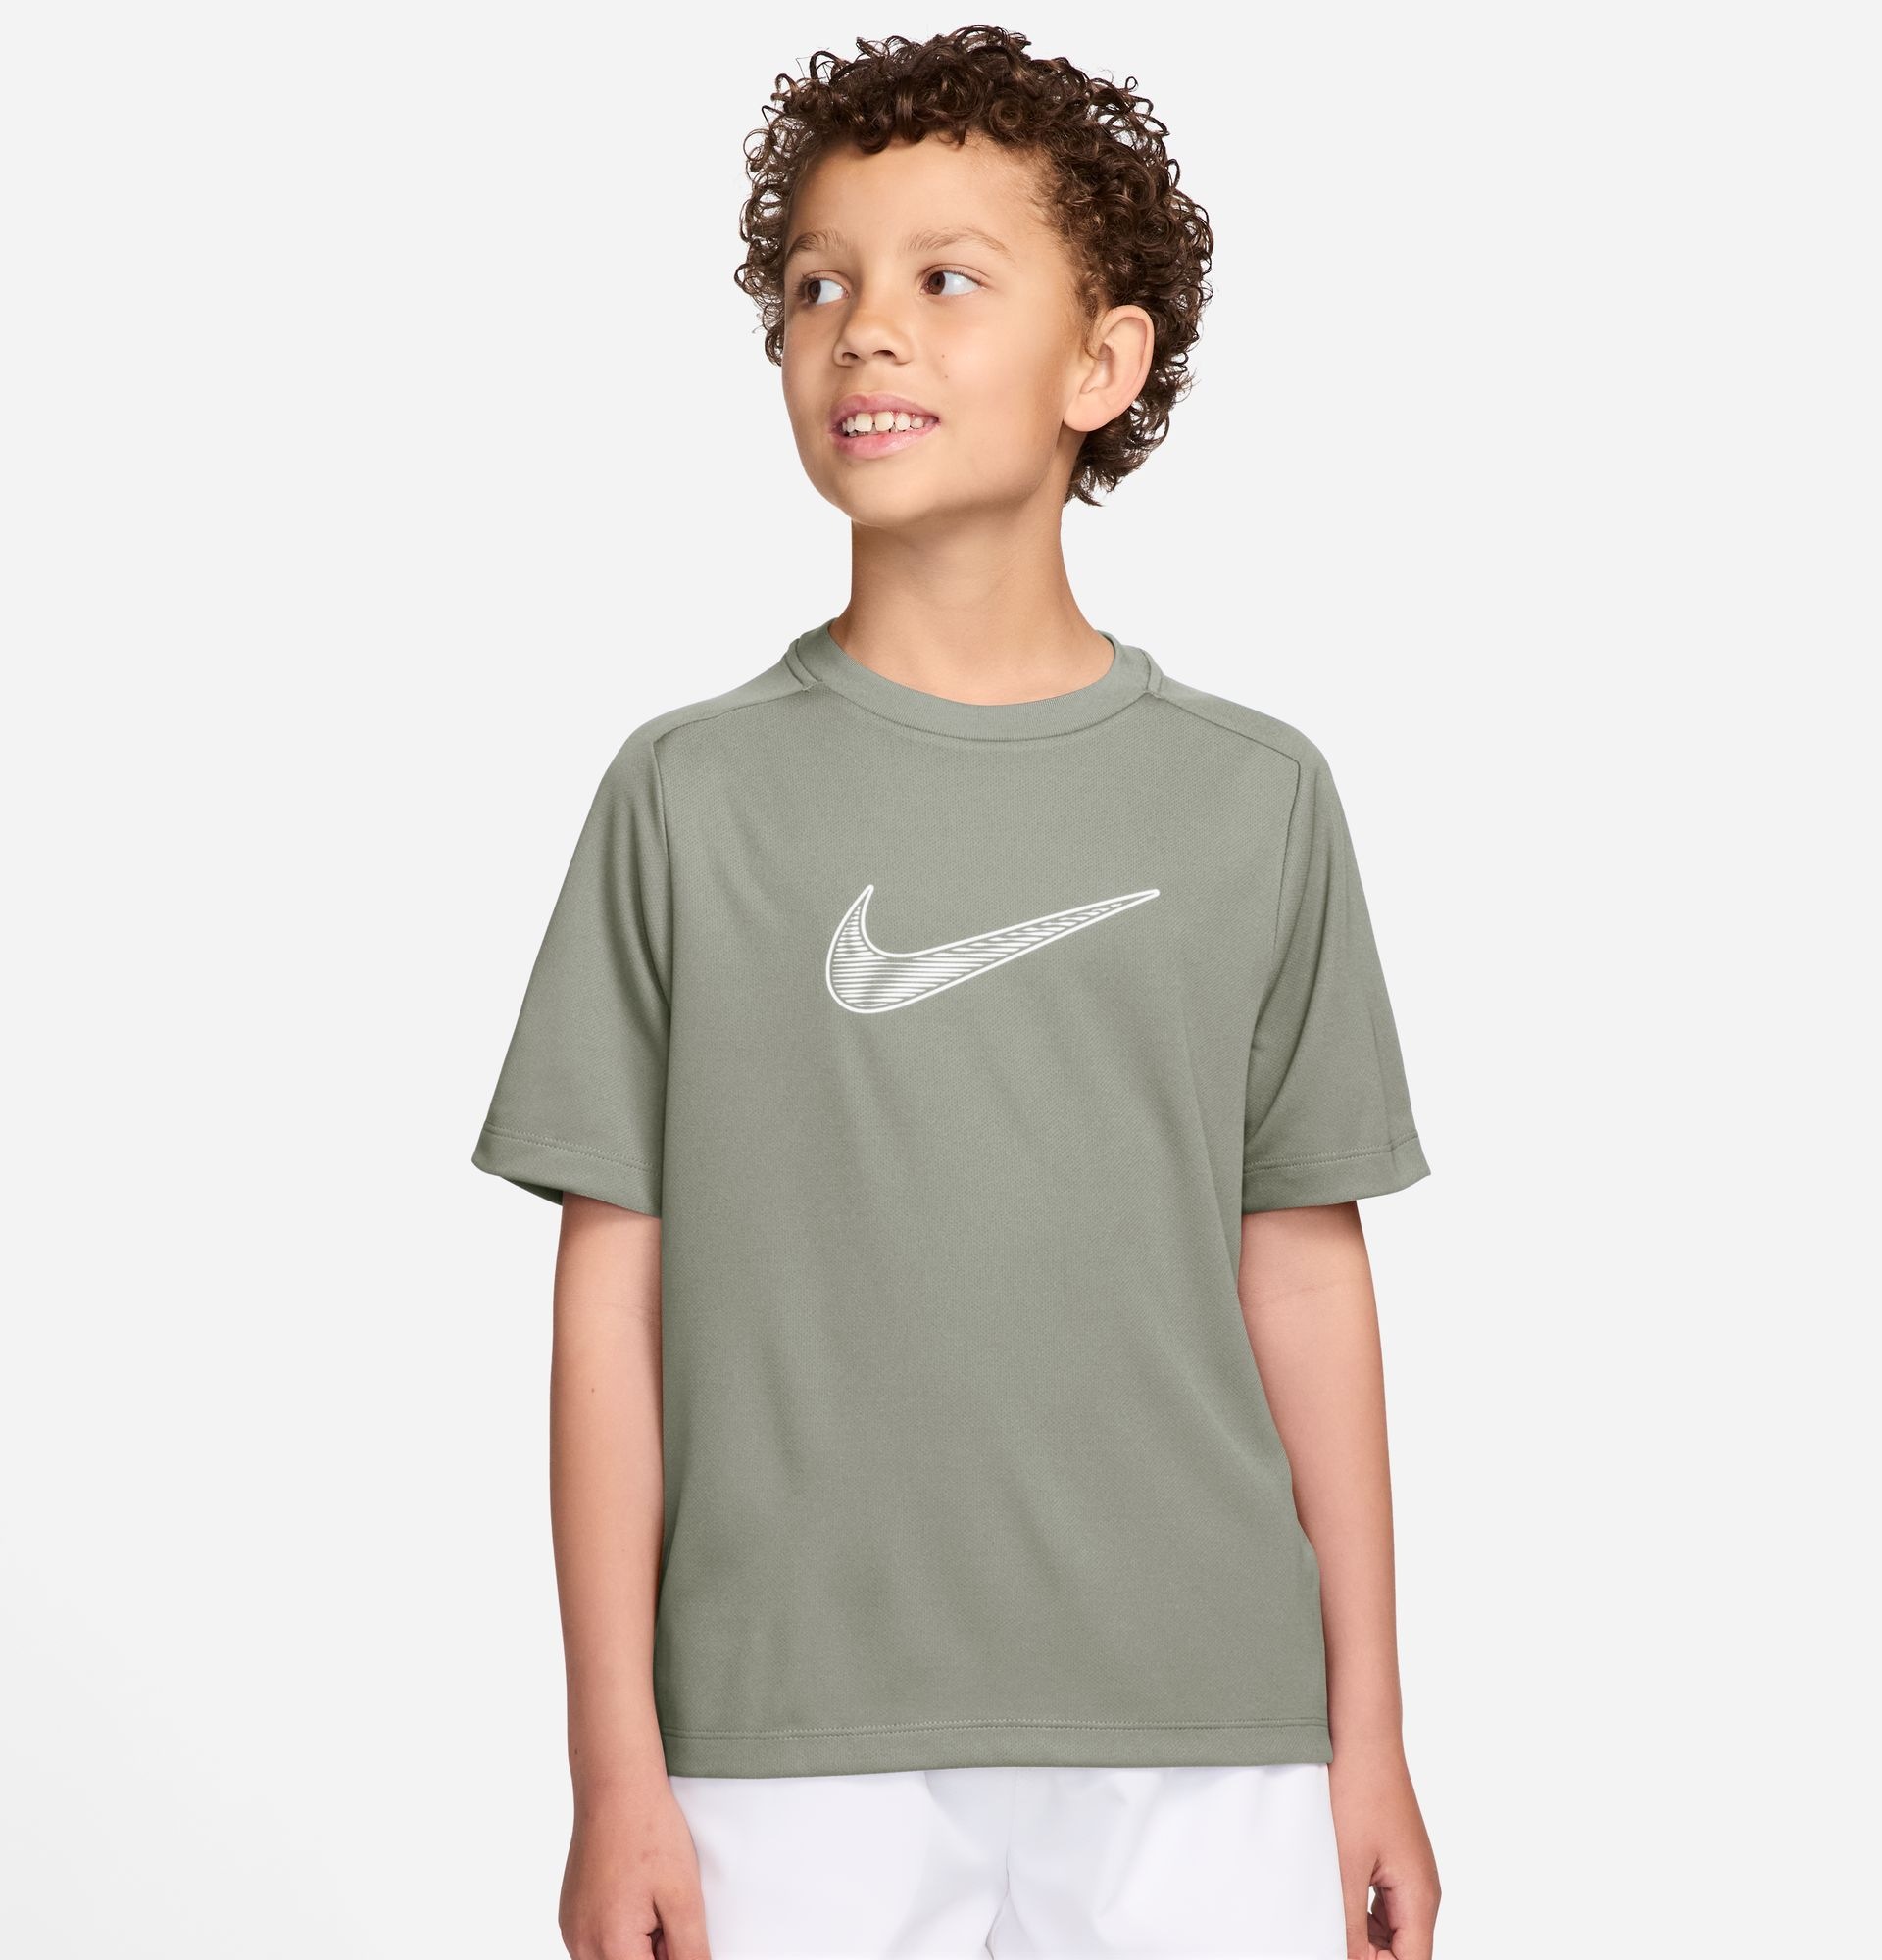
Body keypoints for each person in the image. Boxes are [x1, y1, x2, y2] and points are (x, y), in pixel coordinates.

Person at [472, 24, 1442, 1960]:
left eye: (945, 279)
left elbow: (1305, 1275)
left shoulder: (1253, 796)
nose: (865, 332)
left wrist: (1372, 1741)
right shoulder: (688, 796)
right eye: (817, 286)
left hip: (1200, 1729)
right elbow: (609, 1305)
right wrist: (612, 1770)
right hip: (782, 1733)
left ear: (1104, 365)